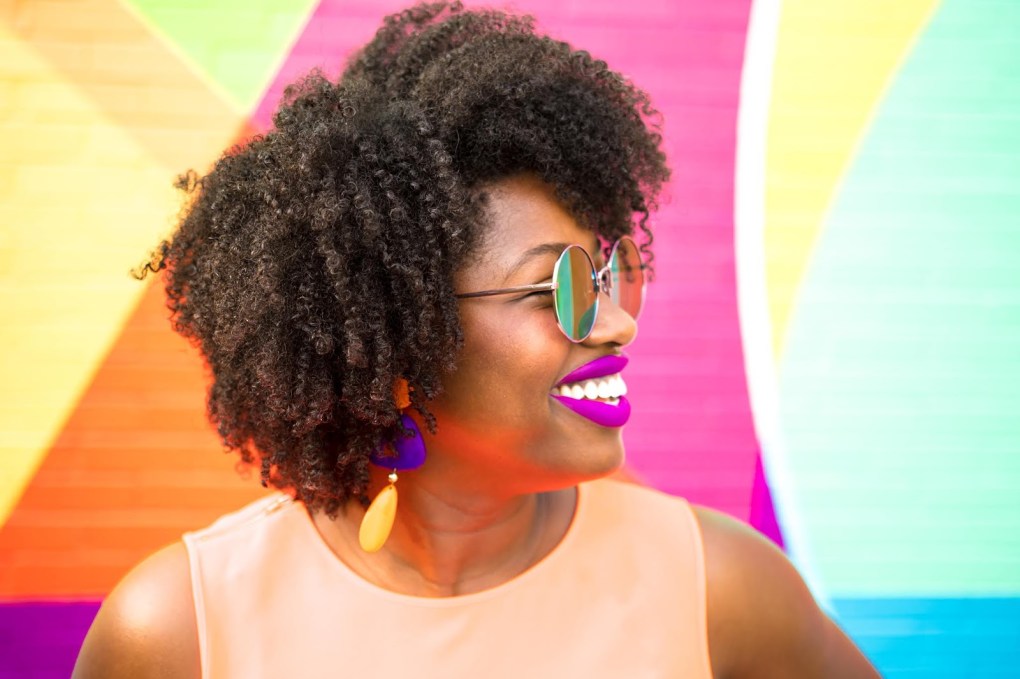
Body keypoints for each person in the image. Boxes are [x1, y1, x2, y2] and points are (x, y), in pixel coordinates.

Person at [73, 2, 879, 677]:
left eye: (605, 273)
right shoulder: (180, 629)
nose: (617, 322)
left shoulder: (721, 589)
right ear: (405, 338)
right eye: (561, 287)